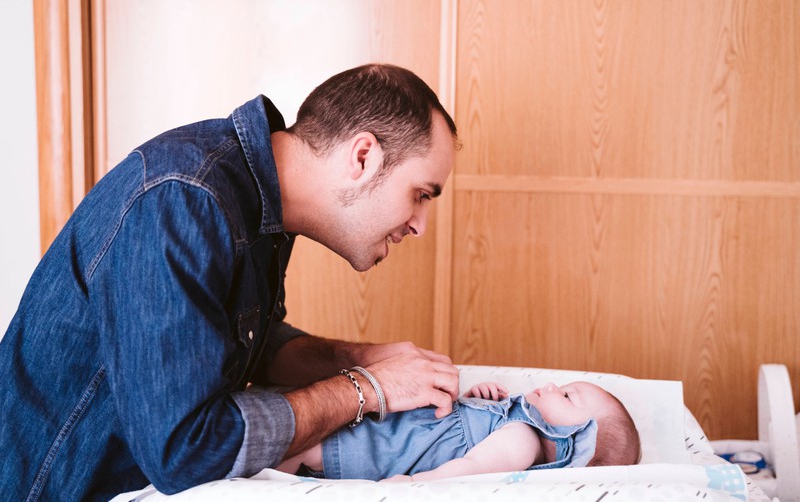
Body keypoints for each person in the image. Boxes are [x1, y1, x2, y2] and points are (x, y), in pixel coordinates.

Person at [0, 64, 462, 501]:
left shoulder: (264, 204)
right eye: (420, 195)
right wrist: (368, 387)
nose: (419, 225)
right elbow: (185, 449)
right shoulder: (184, 198)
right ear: (362, 156)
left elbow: (250, 348)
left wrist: (364, 359)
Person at [277, 380, 642, 481]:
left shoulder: (523, 440)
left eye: (566, 395)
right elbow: (468, 427)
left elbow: (469, 468)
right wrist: (477, 399)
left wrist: (417, 485)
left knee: (308, 444)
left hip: (401, 446)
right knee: (314, 434)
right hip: (414, 432)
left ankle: (260, 481)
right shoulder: (516, 418)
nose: (550, 386)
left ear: (574, 440)